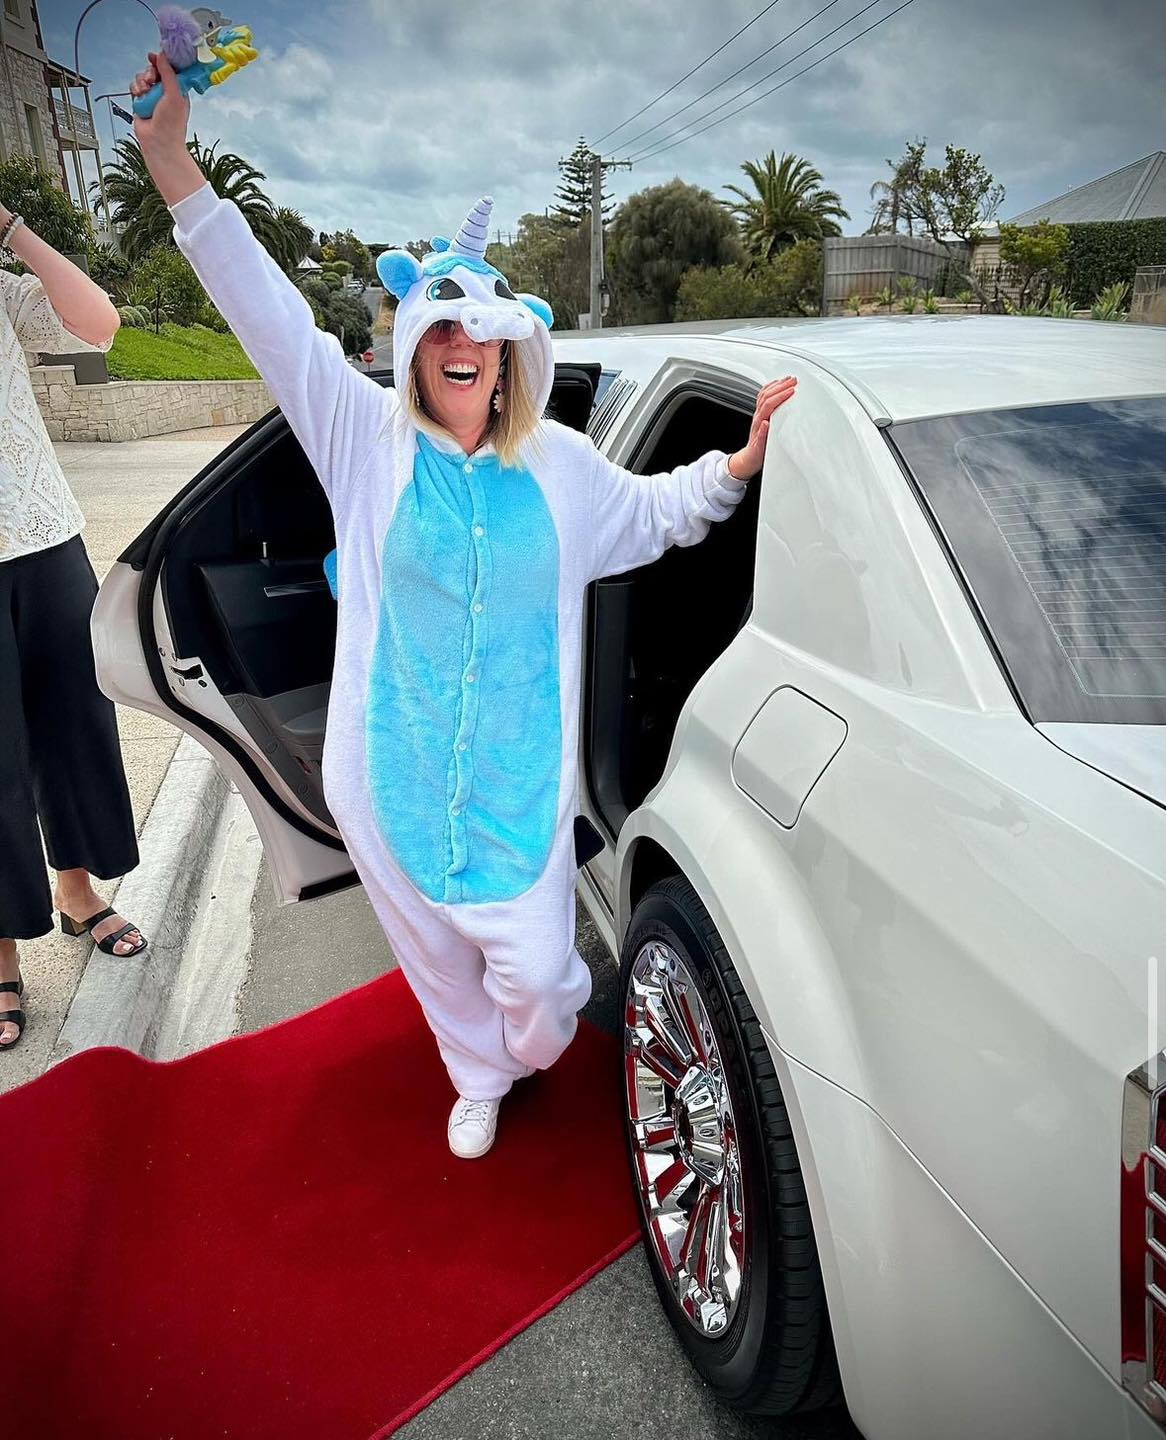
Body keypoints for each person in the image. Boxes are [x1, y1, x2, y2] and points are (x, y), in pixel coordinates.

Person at [131, 50, 796, 1157]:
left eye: (479, 334)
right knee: (438, 965)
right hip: (389, 777)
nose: (460, 346)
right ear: (410, 348)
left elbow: (654, 513)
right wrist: (172, 166)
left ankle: (523, 1045)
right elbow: (270, 318)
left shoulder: (564, 468)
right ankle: (474, 1071)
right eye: (438, 330)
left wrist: (736, 466)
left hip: (517, 787)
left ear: (507, 354)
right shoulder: (364, 442)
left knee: (541, 981)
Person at [0, 200, 149, 1050]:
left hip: (44, 533)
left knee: (75, 725)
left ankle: (77, 890)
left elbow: (99, 324)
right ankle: (0, 949)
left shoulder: (2, 291)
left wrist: (11, 229)